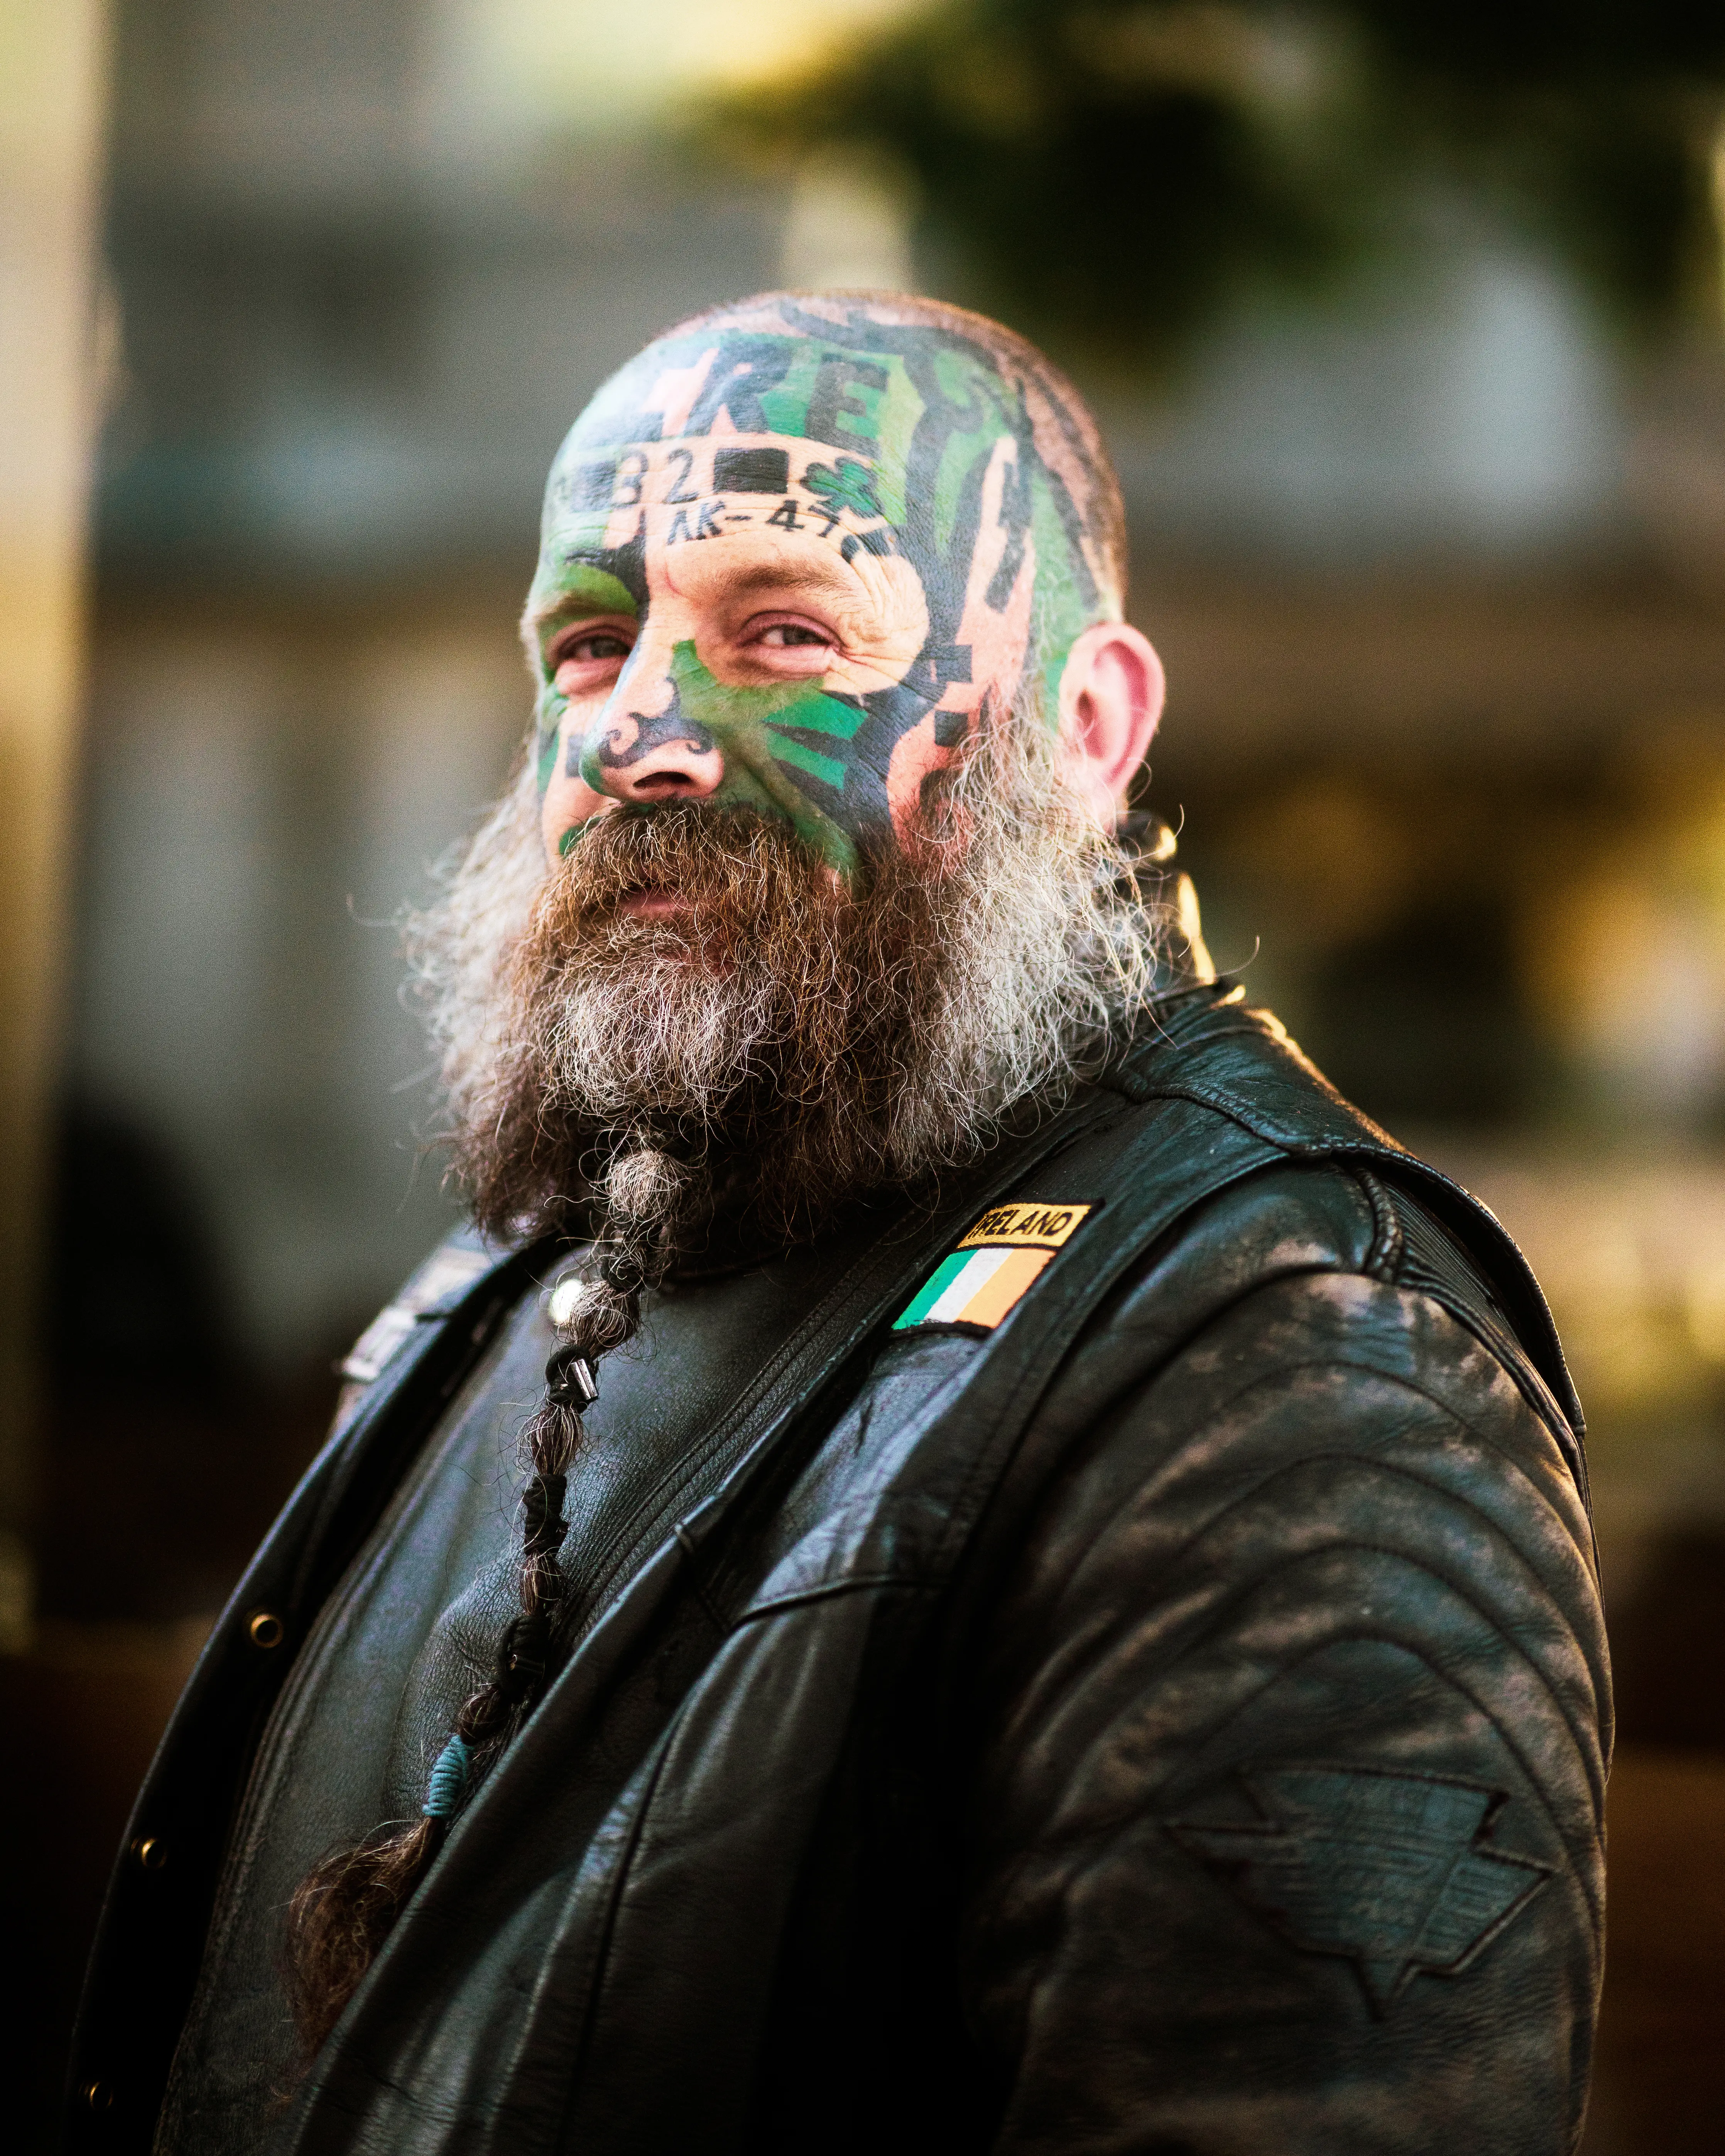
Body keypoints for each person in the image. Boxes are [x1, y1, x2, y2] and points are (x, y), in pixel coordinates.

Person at [67, 292, 1607, 2156]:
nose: (644, 728)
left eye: (786, 630)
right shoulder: (502, 1283)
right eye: (586, 643)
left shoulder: (1303, 1347)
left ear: (1090, 722)